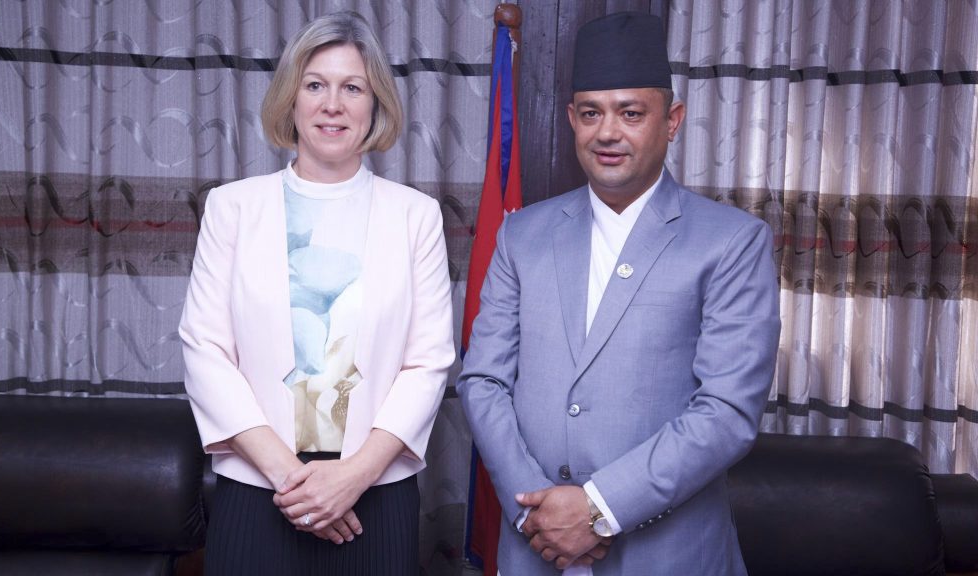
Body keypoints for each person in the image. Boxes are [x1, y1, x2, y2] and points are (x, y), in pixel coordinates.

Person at [458, 11, 780, 576]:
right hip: (536, 551)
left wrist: (598, 508)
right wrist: (540, 509)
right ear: (571, 120)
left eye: (632, 113)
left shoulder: (731, 242)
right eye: (591, 113)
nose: (608, 132)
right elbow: (483, 380)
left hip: (668, 557)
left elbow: (726, 410)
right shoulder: (522, 234)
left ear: (672, 120)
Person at [179, 10, 455, 575]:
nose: (333, 104)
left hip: (374, 498)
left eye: (352, 88)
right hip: (259, 493)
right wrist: (294, 481)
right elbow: (205, 352)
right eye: (315, 85)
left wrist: (349, 479)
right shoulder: (232, 208)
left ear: (374, 105)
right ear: (292, 99)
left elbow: (428, 363)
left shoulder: (416, 217)